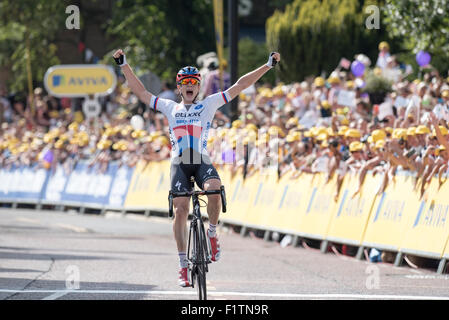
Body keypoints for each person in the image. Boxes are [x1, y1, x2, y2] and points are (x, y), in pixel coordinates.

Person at [112, 48, 280, 287]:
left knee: (214, 188)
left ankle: (212, 232)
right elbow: (141, 92)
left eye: (194, 82)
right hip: (180, 163)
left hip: (201, 160)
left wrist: (267, 66)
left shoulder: (209, 105)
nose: (189, 86)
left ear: (198, 87)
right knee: (180, 209)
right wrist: (124, 65)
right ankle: (182, 265)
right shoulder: (170, 107)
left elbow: (240, 85)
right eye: (185, 83)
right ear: (179, 88)